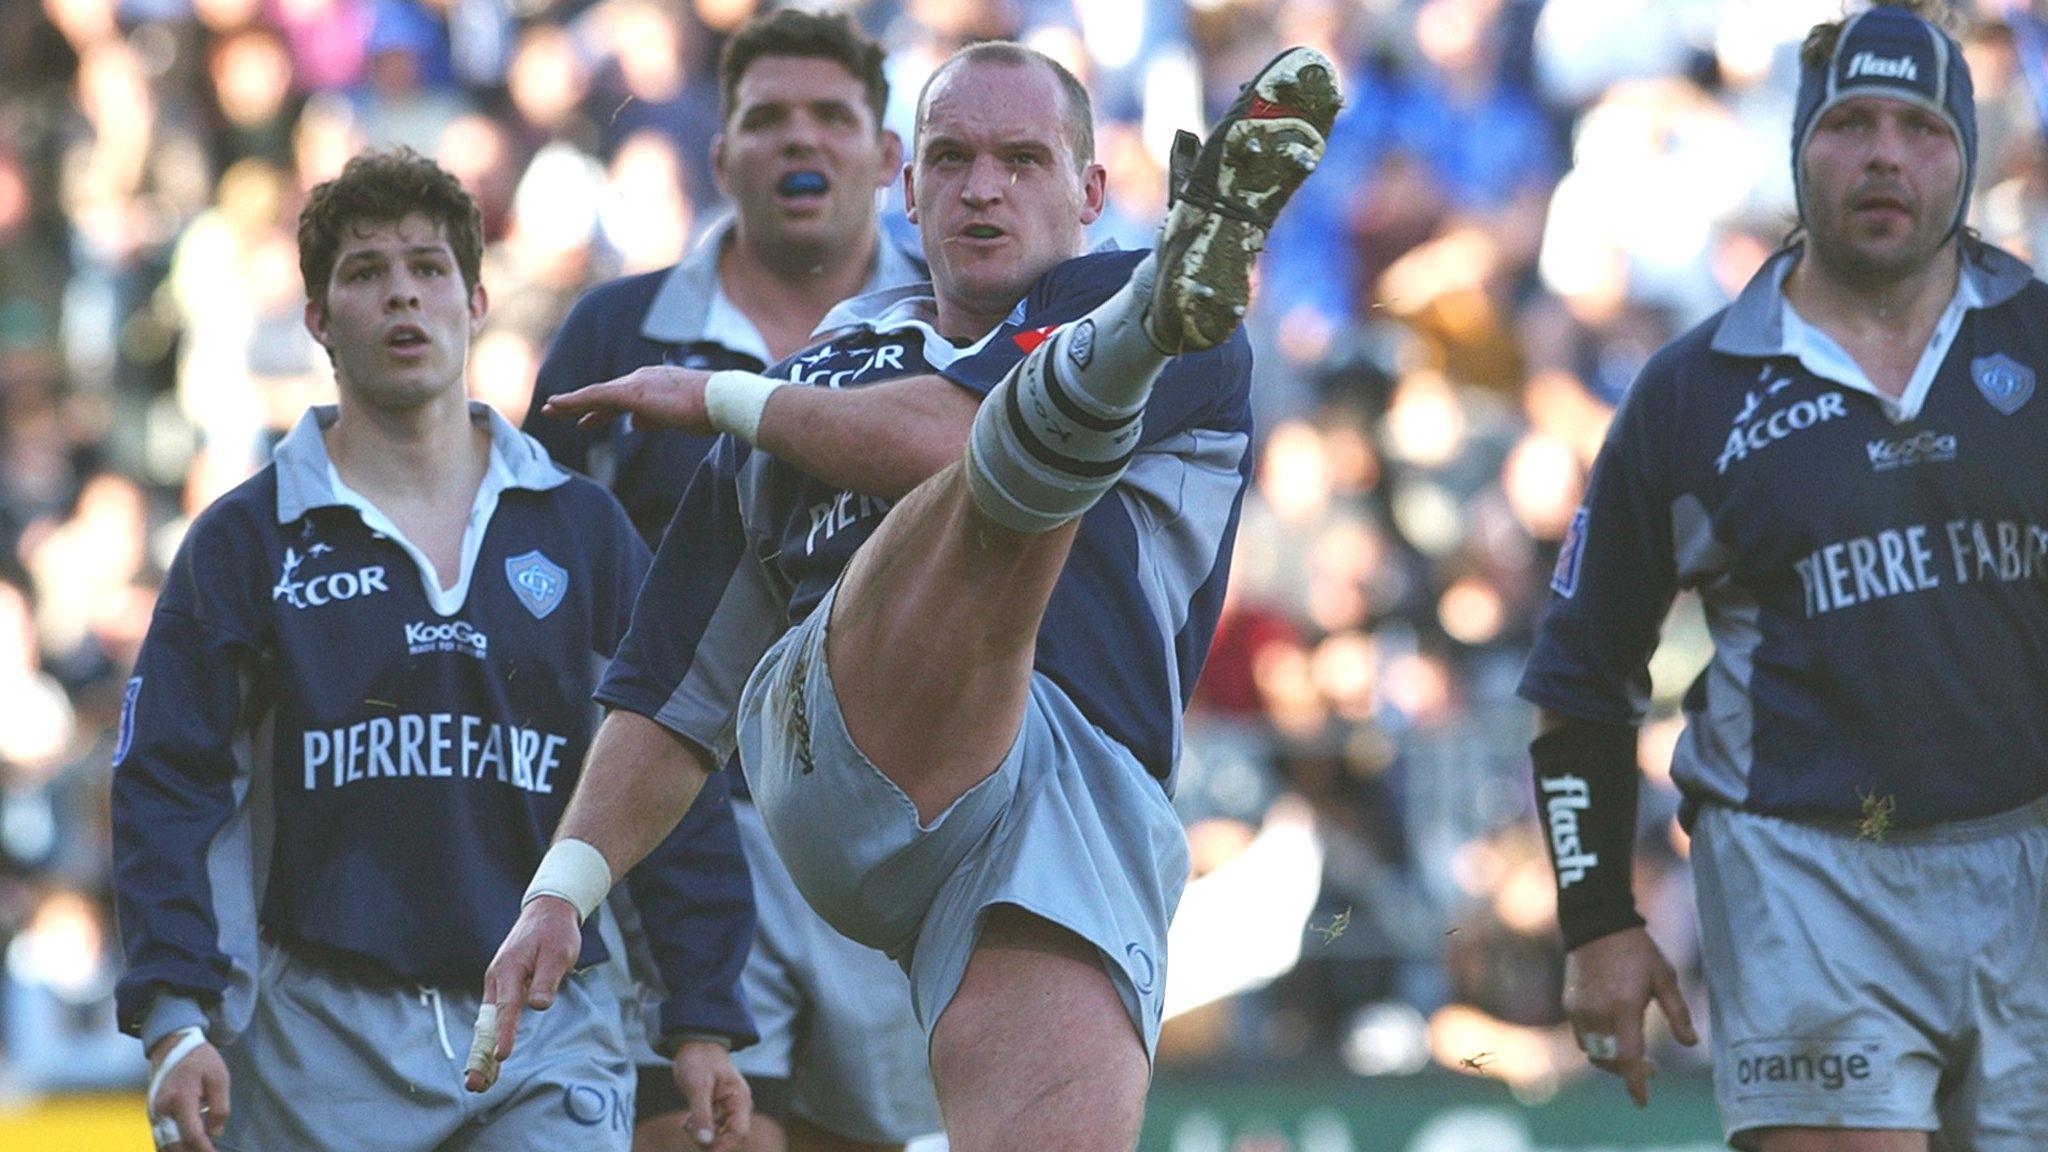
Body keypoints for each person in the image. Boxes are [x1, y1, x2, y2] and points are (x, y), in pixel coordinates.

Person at [470, 40, 1340, 1152]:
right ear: (908, 187)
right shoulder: (834, 361)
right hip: (839, 754)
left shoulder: (1199, 343)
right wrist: (561, 890)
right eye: (953, 157)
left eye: (1023, 158)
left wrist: (719, 395)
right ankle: (1116, 347)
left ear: (1088, 192)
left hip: (1067, 815)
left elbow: (960, 426)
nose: (983, 186)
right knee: (1001, 489)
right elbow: (671, 686)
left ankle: (1116, 344)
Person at [111, 147, 753, 1152]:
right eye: (365, 273)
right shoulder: (244, 539)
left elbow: (666, 763)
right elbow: (168, 786)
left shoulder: (584, 531)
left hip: (550, 1024)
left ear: (477, 297)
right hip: (316, 1038)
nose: (401, 295)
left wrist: (703, 1013)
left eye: (427, 268)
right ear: (317, 319)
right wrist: (175, 1019)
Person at [1519, 3, 2048, 1148]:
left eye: (1919, 128)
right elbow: (1579, 676)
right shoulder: (1688, 392)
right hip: (1804, 872)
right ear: (1797, 146)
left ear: (1965, 155)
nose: (1882, 156)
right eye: (1848, 123)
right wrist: (1596, 920)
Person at [526, 10, 939, 1152]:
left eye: (829, 116)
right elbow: (535, 587)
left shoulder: (959, 330)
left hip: (906, 832)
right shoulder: (614, 330)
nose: (797, 140)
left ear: (886, 154)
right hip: (688, 827)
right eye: (765, 118)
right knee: (700, 1136)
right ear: (721, 156)